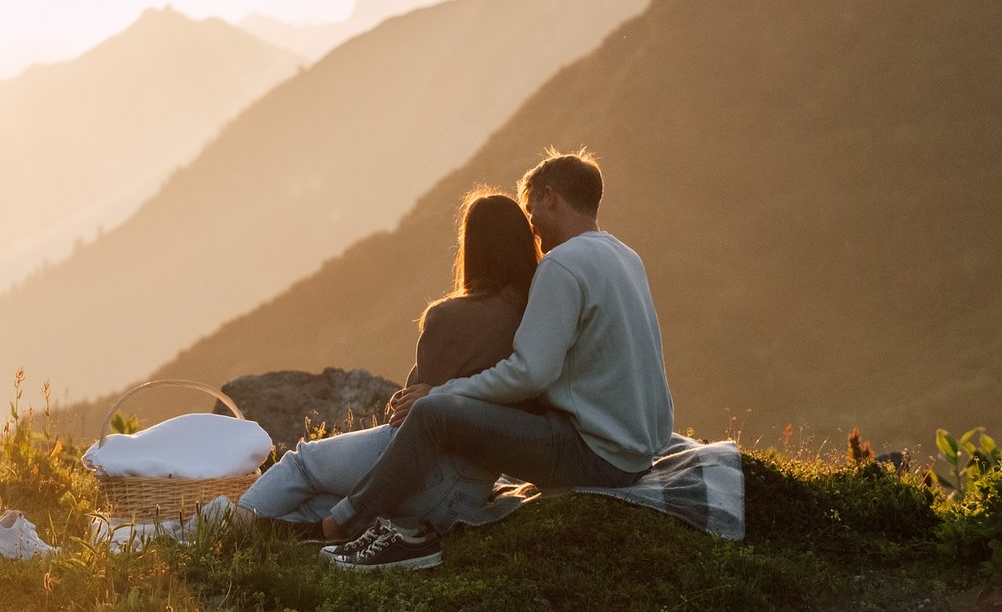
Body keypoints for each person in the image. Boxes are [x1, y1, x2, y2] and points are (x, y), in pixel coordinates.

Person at [321, 148, 675, 571]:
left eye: (531, 211)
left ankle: (340, 524)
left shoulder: (563, 265)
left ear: (550, 198)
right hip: (635, 452)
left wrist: (443, 391)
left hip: (592, 456)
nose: (533, 230)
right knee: (443, 410)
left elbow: (531, 372)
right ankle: (381, 520)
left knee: (434, 413)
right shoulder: (625, 257)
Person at [238, 186, 540, 531]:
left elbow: (408, 422)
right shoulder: (534, 316)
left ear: (472, 248)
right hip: (468, 494)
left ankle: (223, 527)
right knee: (318, 504)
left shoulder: (448, 317)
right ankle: (238, 531)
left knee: (301, 465)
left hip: (418, 478)